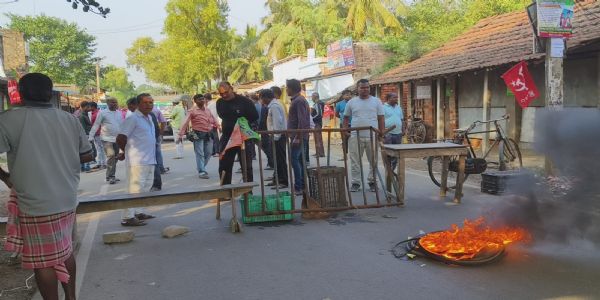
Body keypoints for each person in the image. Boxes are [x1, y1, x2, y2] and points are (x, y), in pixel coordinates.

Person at [0, 73, 93, 300]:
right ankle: (70, 297)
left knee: (43, 261)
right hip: (67, 197)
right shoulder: (69, 119)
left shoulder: (8, 119)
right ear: (50, 93)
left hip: (35, 201)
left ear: (20, 93)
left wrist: (5, 177)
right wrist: (60, 155)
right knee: (64, 250)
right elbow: (87, 155)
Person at [116, 94, 156, 226]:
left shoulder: (149, 117)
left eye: (151, 102)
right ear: (138, 104)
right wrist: (125, 151)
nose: (149, 105)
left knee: (144, 188)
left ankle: (138, 212)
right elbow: (121, 138)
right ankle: (127, 217)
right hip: (137, 161)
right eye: (145, 102)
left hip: (150, 159)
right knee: (134, 190)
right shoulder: (133, 118)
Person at [343, 79, 385, 193]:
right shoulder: (351, 102)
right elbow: (346, 118)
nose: (365, 89)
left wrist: (382, 133)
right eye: (362, 87)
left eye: (367, 87)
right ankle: (356, 183)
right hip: (355, 136)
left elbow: (381, 118)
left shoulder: (376, 101)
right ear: (357, 89)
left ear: (369, 88)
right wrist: (345, 131)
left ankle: (372, 182)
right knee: (355, 161)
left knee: (374, 161)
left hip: (372, 136)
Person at [216, 82, 259, 185]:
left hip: (243, 137)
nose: (224, 95)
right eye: (221, 94)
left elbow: (254, 116)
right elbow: (222, 115)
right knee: (224, 165)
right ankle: (226, 191)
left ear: (231, 88)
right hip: (227, 137)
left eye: (226, 92)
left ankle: (248, 192)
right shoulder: (220, 102)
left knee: (246, 165)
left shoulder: (245, 101)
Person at [179, 94, 217, 179]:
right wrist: (180, 134)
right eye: (199, 99)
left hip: (208, 133)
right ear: (195, 101)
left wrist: (218, 125)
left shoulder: (207, 110)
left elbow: (213, 119)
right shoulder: (192, 111)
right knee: (199, 153)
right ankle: (202, 171)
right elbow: (185, 122)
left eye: (203, 99)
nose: (202, 100)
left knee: (209, 152)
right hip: (197, 134)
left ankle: (201, 166)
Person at [89, 96, 124, 184]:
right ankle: (111, 176)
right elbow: (96, 125)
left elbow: (122, 125)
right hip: (106, 138)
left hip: (117, 139)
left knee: (115, 158)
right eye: (112, 102)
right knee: (111, 155)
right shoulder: (103, 113)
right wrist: (90, 137)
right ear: (108, 104)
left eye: (115, 102)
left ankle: (109, 175)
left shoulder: (119, 113)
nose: (114, 104)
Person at [286, 79, 311, 196]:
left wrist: (298, 137)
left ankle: (299, 187)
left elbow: (303, 120)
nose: (286, 90)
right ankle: (302, 186)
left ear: (291, 88)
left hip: (299, 136)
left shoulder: (299, 101)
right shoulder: (298, 100)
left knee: (295, 160)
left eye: (287, 87)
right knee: (299, 161)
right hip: (298, 135)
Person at [261, 89, 288, 189]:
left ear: (266, 98)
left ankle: (283, 181)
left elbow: (278, 122)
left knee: (280, 159)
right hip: (276, 136)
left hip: (278, 136)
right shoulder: (273, 106)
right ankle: (277, 179)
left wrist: (276, 137)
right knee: (276, 159)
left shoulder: (275, 106)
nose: (262, 101)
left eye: (262, 98)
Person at [383, 92, 404, 170]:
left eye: (396, 98)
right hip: (388, 133)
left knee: (396, 153)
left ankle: (392, 169)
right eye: (394, 97)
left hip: (398, 133)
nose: (396, 99)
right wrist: (382, 131)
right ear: (388, 98)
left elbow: (402, 119)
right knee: (388, 152)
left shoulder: (398, 107)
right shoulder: (383, 107)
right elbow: (380, 120)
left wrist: (403, 129)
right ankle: (387, 168)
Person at [258, 94, 274, 171]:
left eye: (261, 98)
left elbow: (263, 120)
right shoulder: (267, 106)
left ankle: (271, 163)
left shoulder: (265, 107)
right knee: (268, 147)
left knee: (267, 147)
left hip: (265, 130)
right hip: (267, 130)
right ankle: (271, 162)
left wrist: (259, 130)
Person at [89, 101, 107, 169]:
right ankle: (99, 162)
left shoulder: (97, 114)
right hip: (96, 133)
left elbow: (96, 124)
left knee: (101, 148)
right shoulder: (93, 113)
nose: (89, 108)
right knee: (98, 148)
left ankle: (103, 163)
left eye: (90, 106)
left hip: (99, 133)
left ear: (93, 107)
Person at [335, 89, 353, 156]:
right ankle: (345, 155)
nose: (349, 96)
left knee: (353, 140)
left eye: (350, 95)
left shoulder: (354, 103)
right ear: (343, 96)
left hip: (353, 124)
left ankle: (353, 154)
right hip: (343, 125)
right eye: (347, 95)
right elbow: (336, 114)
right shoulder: (339, 104)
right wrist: (343, 119)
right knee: (344, 140)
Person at [79, 101, 95, 172]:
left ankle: (83, 167)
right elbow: (83, 128)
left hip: (86, 134)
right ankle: (86, 166)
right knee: (88, 151)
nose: (89, 108)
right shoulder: (82, 116)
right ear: (84, 107)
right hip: (86, 135)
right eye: (88, 107)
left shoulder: (85, 114)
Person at [205, 93, 221, 157]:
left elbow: (214, 114)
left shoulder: (212, 104)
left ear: (206, 99)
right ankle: (214, 151)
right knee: (212, 137)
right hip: (210, 123)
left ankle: (217, 151)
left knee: (215, 137)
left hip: (213, 123)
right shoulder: (209, 104)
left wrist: (215, 123)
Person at [311, 92, 325, 157]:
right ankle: (318, 152)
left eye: (312, 97)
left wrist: (312, 119)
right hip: (316, 123)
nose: (311, 98)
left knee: (318, 138)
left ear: (315, 97)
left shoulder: (318, 104)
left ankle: (320, 153)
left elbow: (319, 114)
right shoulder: (318, 104)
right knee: (316, 138)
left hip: (317, 123)